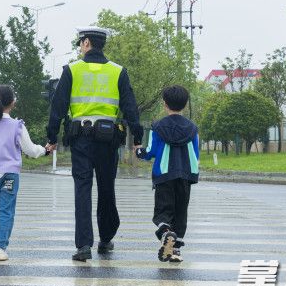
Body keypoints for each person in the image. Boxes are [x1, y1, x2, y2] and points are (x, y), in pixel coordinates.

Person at [45, 26, 143, 262]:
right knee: (106, 188)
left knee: (82, 189)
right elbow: (130, 107)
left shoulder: (71, 70)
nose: (80, 47)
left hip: (81, 140)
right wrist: (137, 138)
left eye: (81, 43)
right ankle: (106, 239)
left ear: (87, 43)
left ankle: (83, 246)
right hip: (109, 140)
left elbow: (57, 107)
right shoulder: (118, 71)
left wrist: (51, 138)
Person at [0, 85, 48, 261]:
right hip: (10, 175)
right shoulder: (17, 126)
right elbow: (31, 150)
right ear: (13, 103)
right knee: (6, 210)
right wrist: (45, 150)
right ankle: (1, 247)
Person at [135, 85, 200, 262]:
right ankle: (175, 251)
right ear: (185, 105)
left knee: (163, 212)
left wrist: (139, 152)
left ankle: (165, 233)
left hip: (164, 175)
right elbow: (196, 153)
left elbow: (151, 151)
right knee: (181, 212)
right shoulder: (193, 128)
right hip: (186, 175)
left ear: (165, 104)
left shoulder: (158, 127)